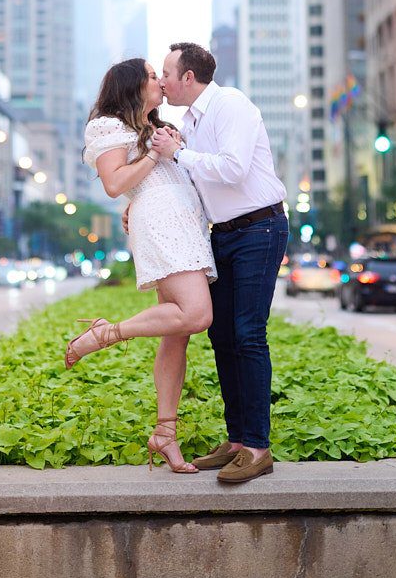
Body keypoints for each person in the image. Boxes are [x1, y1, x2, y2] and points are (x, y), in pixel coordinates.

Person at [65, 58, 216, 474]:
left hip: (185, 224)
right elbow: (115, 183)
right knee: (197, 315)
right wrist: (152, 156)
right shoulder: (108, 125)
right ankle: (108, 332)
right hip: (163, 225)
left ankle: (165, 435)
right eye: (153, 76)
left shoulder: (156, 128)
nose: (161, 82)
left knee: (179, 332)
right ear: (132, 87)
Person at [151, 42, 289, 484]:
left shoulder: (232, 105)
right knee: (222, 334)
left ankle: (257, 447)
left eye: (168, 73)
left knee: (248, 334)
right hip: (224, 235)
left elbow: (232, 169)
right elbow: (197, 181)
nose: (163, 82)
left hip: (259, 229)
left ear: (188, 77)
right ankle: (236, 442)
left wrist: (179, 154)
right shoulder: (189, 121)